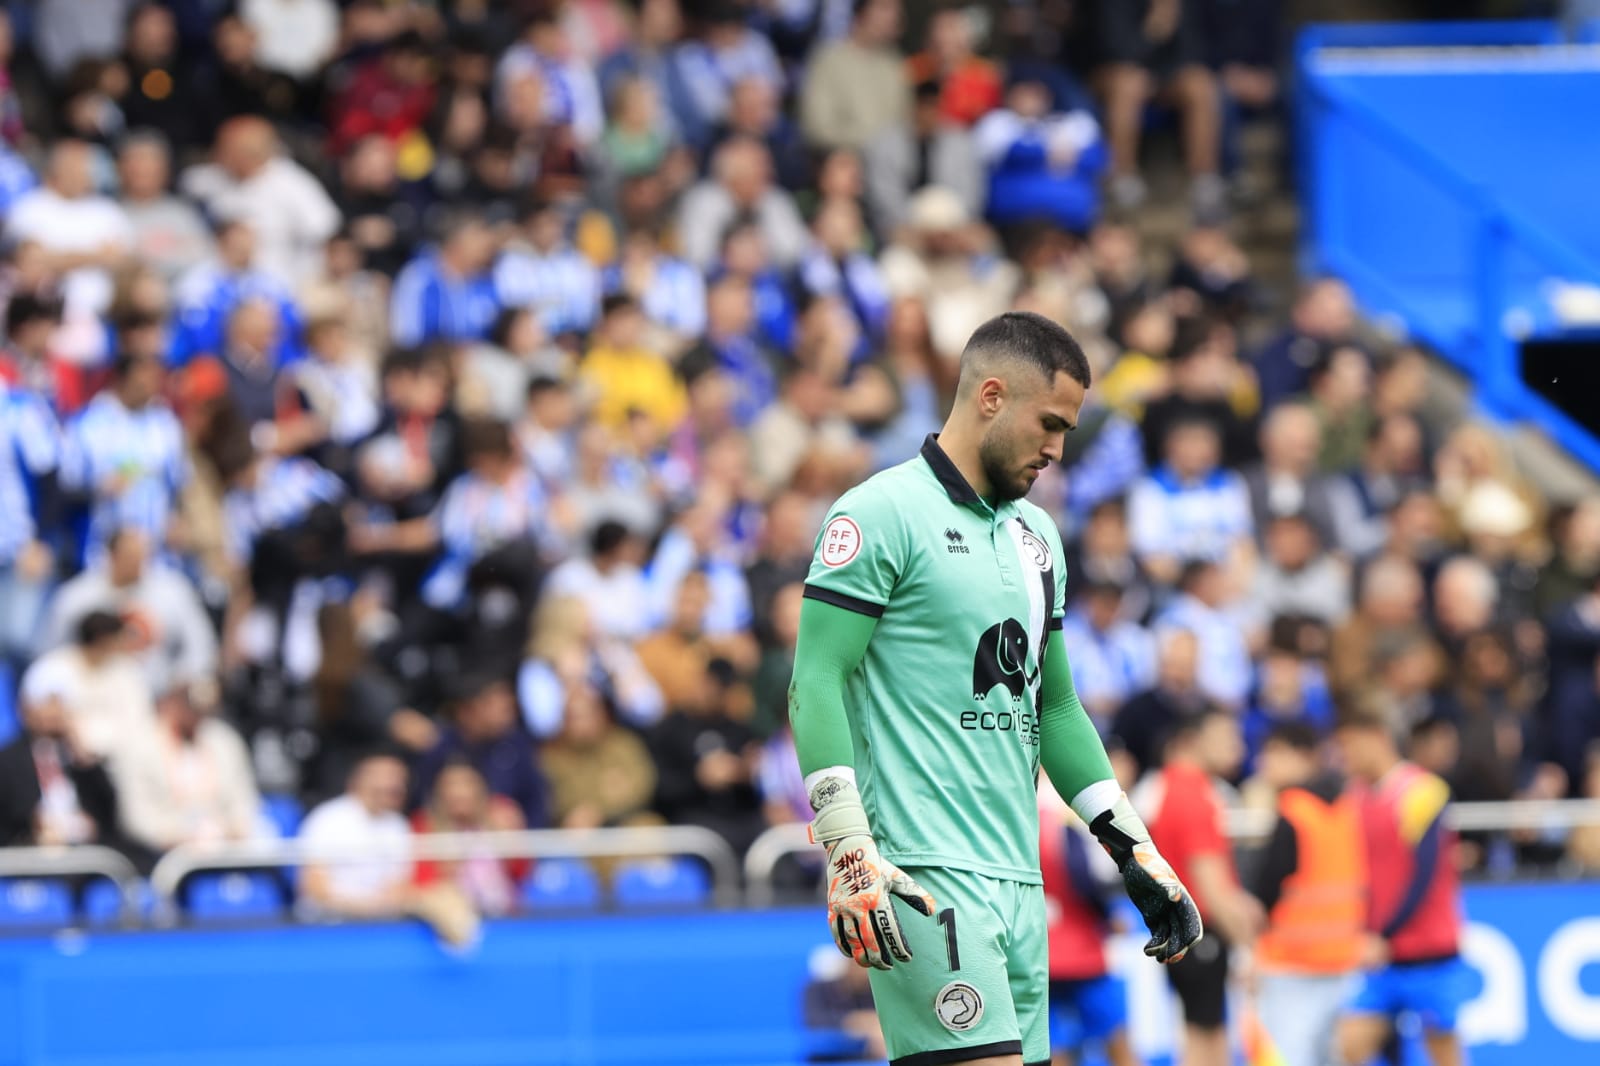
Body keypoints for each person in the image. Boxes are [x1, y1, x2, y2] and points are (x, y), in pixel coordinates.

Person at [790, 311, 1201, 1066]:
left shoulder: (1040, 538)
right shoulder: (878, 512)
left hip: (1020, 880)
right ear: (990, 396)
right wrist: (847, 843)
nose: (1057, 449)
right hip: (919, 872)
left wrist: (1131, 847)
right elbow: (814, 679)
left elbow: (1057, 708)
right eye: (1050, 424)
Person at [1334, 710, 1470, 1066]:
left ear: (1378, 737)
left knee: (1444, 1053)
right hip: (1382, 956)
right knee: (1348, 1046)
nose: (1345, 756)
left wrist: (1383, 933)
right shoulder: (1355, 796)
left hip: (1429, 949)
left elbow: (1422, 876)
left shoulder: (1423, 791)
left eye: (1350, 745)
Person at [1133, 710, 1260, 1066]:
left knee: (1202, 1032)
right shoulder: (1193, 796)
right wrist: (1248, 948)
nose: (1238, 747)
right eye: (1226, 737)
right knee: (1206, 1039)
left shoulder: (1171, 789)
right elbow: (1210, 885)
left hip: (1181, 929)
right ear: (1192, 740)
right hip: (1201, 932)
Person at [1248, 723, 1365, 1066]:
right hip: (1343, 956)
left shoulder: (1294, 810)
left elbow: (1268, 885)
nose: (1265, 764)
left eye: (1274, 753)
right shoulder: (1348, 805)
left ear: (1303, 756)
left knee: (1287, 1055)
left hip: (1291, 959)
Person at [1038, 792, 1140, 1066]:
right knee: (1116, 1039)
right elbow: (1083, 874)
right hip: (1082, 947)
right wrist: (1108, 915)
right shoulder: (1066, 811)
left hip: (1042, 949)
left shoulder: (1021, 812)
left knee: (1051, 1044)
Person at [298, 751, 415, 919]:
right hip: (326, 922)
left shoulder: (398, 824)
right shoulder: (327, 818)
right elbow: (315, 888)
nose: (396, 785)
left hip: (382, 920)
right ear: (361, 779)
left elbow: (398, 886)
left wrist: (377, 908)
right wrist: (366, 908)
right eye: (387, 776)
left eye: (400, 778)